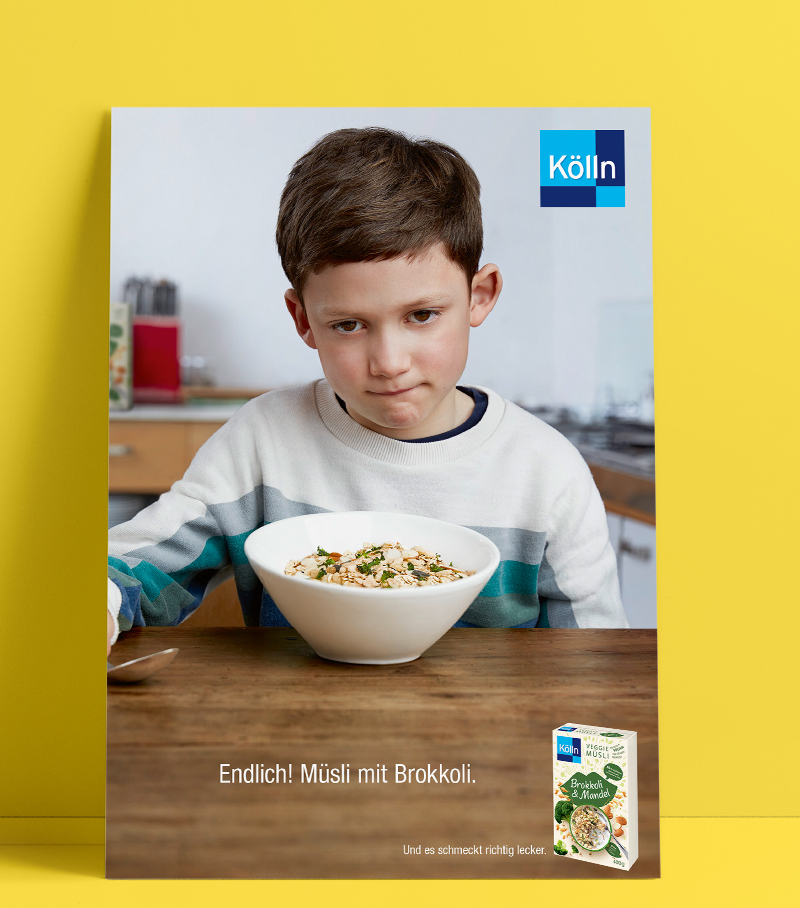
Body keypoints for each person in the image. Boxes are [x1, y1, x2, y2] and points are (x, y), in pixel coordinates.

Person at [107, 127, 625, 650]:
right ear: (303, 319)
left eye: (422, 315)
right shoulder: (261, 443)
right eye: (349, 325)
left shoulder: (547, 475)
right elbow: (133, 569)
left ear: (480, 296)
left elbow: (598, 671)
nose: (389, 364)